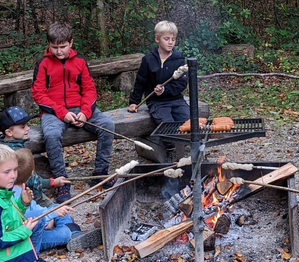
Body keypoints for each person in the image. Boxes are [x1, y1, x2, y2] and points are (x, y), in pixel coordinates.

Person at [31, 22, 116, 203]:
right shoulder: (43, 64)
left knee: (108, 125)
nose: (59, 51)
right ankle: (62, 181)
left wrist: (85, 112)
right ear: (48, 45)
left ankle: (100, 171)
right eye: (54, 47)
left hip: (80, 107)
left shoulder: (80, 62)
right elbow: (38, 94)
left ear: (71, 43)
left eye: (62, 47)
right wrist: (63, 113)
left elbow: (90, 90)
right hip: (53, 112)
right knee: (52, 135)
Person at [14, 148, 103, 251]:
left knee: (56, 207)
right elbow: (31, 214)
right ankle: (71, 233)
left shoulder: (14, 189)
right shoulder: (18, 196)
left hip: (36, 224)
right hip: (29, 239)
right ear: (32, 173)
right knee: (64, 232)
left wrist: (50, 214)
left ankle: (72, 231)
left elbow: (35, 209)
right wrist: (51, 215)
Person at [128, 20, 189, 158]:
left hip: (176, 99)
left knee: (190, 121)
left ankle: (186, 148)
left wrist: (165, 90)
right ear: (157, 39)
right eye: (166, 39)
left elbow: (181, 83)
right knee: (167, 125)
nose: (170, 42)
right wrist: (134, 102)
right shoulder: (148, 60)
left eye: (173, 39)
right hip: (157, 102)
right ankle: (170, 151)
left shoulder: (178, 59)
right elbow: (140, 82)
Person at [0, 105, 70, 207]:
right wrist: (53, 182)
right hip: (27, 197)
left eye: (27, 125)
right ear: (9, 132)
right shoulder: (16, 154)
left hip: (17, 196)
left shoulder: (2, 147)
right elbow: (31, 180)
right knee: (57, 212)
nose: (28, 128)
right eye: (23, 127)